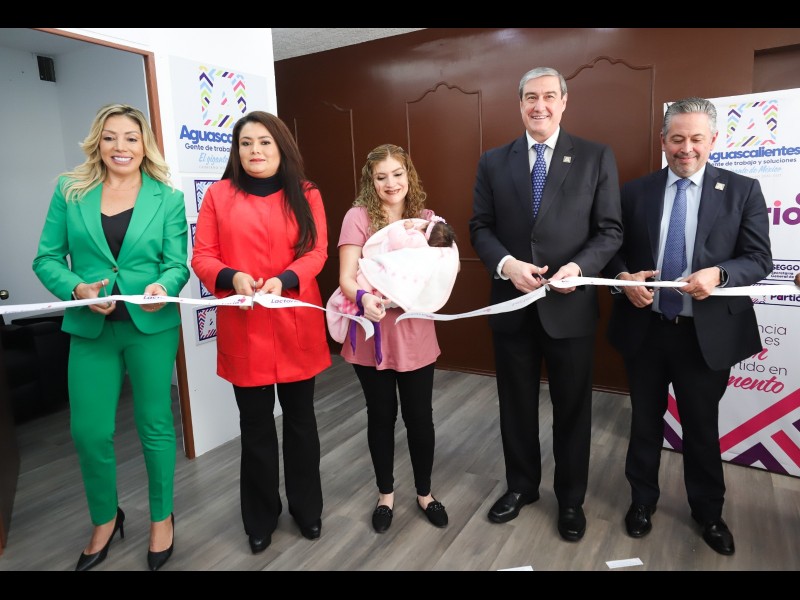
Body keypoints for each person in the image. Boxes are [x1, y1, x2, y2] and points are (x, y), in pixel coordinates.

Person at [604, 97, 772, 556]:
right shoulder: (635, 191)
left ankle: (708, 513)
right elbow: (613, 250)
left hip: (705, 335)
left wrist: (720, 274)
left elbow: (759, 259)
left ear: (713, 140)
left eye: (697, 138)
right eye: (677, 138)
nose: (686, 148)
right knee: (644, 421)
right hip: (647, 328)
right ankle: (642, 501)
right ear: (663, 141)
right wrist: (623, 278)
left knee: (701, 426)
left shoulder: (742, 190)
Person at [32, 104, 189, 571]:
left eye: (131, 138)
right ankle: (105, 517)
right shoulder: (70, 191)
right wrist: (76, 289)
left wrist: (164, 286)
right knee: (89, 431)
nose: (121, 147)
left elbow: (176, 264)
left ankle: (162, 517)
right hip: (91, 329)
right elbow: (47, 259)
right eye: (110, 137)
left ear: (145, 146)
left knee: (155, 425)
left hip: (150, 327)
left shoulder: (168, 197)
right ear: (97, 142)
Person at [469, 67, 622, 541]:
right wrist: (506, 264)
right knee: (515, 405)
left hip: (569, 308)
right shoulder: (494, 161)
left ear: (564, 101)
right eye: (531, 97)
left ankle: (570, 499)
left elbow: (610, 231)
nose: (540, 105)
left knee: (572, 408)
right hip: (511, 305)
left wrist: (579, 267)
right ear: (520, 104)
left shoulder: (595, 156)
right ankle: (521, 487)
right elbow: (480, 226)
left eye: (549, 96)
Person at [191, 111, 330, 554]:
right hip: (244, 322)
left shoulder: (307, 194)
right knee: (254, 427)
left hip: (294, 320)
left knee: (301, 422)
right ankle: (260, 517)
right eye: (246, 143)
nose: (255, 151)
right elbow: (202, 256)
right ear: (236, 151)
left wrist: (285, 279)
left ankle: (307, 509)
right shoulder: (219, 195)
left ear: (281, 147)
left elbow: (317, 252)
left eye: (265, 142)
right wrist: (231, 277)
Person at [337, 143, 451, 533]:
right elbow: (346, 277)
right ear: (370, 180)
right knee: (381, 416)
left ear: (408, 175)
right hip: (372, 333)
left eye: (397, 174)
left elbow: (443, 271)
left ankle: (425, 494)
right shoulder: (357, 217)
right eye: (381, 176)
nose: (391, 183)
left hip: (414, 331)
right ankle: (385, 495)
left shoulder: (427, 219)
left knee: (420, 417)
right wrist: (364, 298)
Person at [326, 216, 458, 345]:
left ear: (425, 232)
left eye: (422, 226)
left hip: (387, 275)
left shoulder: (417, 238)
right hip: (402, 322)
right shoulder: (429, 249)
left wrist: (402, 228)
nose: (418, 225)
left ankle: (352, 302)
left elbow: (397, 240)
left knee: (366, 279)